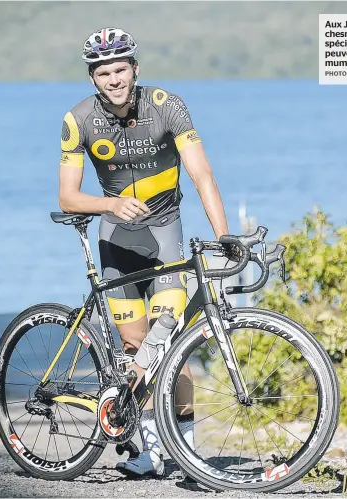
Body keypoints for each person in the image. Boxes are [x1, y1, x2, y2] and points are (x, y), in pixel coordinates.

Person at [58, 27, 232, 477]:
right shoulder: (78, 120)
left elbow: (202, 174)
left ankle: (187, 451)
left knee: (170, 346)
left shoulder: (167, 106)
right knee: (136, 346)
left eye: (120, 69)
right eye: (103, 73)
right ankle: (153, 454)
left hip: (165, 235)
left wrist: (224, 235)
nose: (113, 79)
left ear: (135, 69)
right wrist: (111, 203)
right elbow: (68, 197)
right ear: (93, 78)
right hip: (117, 240)